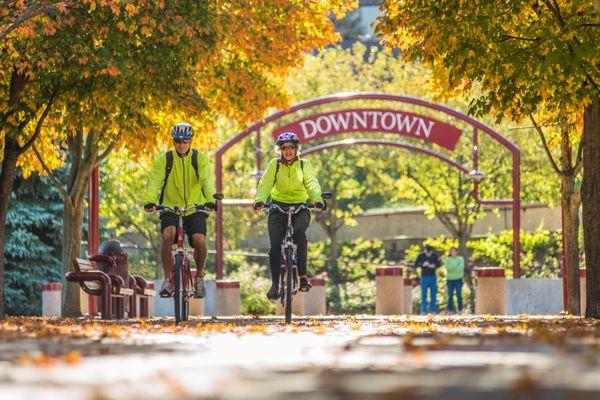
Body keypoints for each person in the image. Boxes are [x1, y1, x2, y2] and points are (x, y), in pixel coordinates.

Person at [143, 122, 216, 299]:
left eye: (185, 141)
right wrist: (150, 201)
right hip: (170, 207)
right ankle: (167, 280)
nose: (181, 144)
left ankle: (199, 278)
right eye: (177, 141)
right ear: (173, 141)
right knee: (168, 235)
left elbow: (206, 180)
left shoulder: (199, 159)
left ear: (190, 141)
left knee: (199, 240)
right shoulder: (165, 160)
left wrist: (210, 200)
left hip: (195, 207)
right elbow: (154, 182)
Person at [254, 132, 324, 299]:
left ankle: (303, 277)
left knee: (300, 236)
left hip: (301, 206)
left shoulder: (303, 165)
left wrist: (317, 200)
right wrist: (260, 200)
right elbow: (265, 184)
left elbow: (311, 183)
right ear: (280, 150)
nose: (287, 150)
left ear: (297, 148)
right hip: (278, 206)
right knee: (276, 245)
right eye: (283, 148)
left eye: (291, 147)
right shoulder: (275, 165)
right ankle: (275, 284)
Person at [415, 244, 441, 314]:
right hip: (424, 277)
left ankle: (432, 310)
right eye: (427, 252)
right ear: (425, 251)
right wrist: (422, 264)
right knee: (424, 295)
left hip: (433, 276)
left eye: (430, 253)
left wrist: (432, 265)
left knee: (433, 294)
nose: (428, 254)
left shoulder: (434, 256)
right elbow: (416, 264)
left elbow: (438, 264)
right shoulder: (421, 256)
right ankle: (423, 310)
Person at [445, 247, 465, 313]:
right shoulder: (447, 259)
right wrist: (456, 266)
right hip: (449, 280)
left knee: (459, 294)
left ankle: (460, 309)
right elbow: (448, 268)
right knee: (450, 295)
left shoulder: (460, 259)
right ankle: (450, 310)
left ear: (456, 252)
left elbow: (460, 269)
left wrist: (452, 268)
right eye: (451, 251)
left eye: (454, 251)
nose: (452, 253)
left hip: (458, 279)